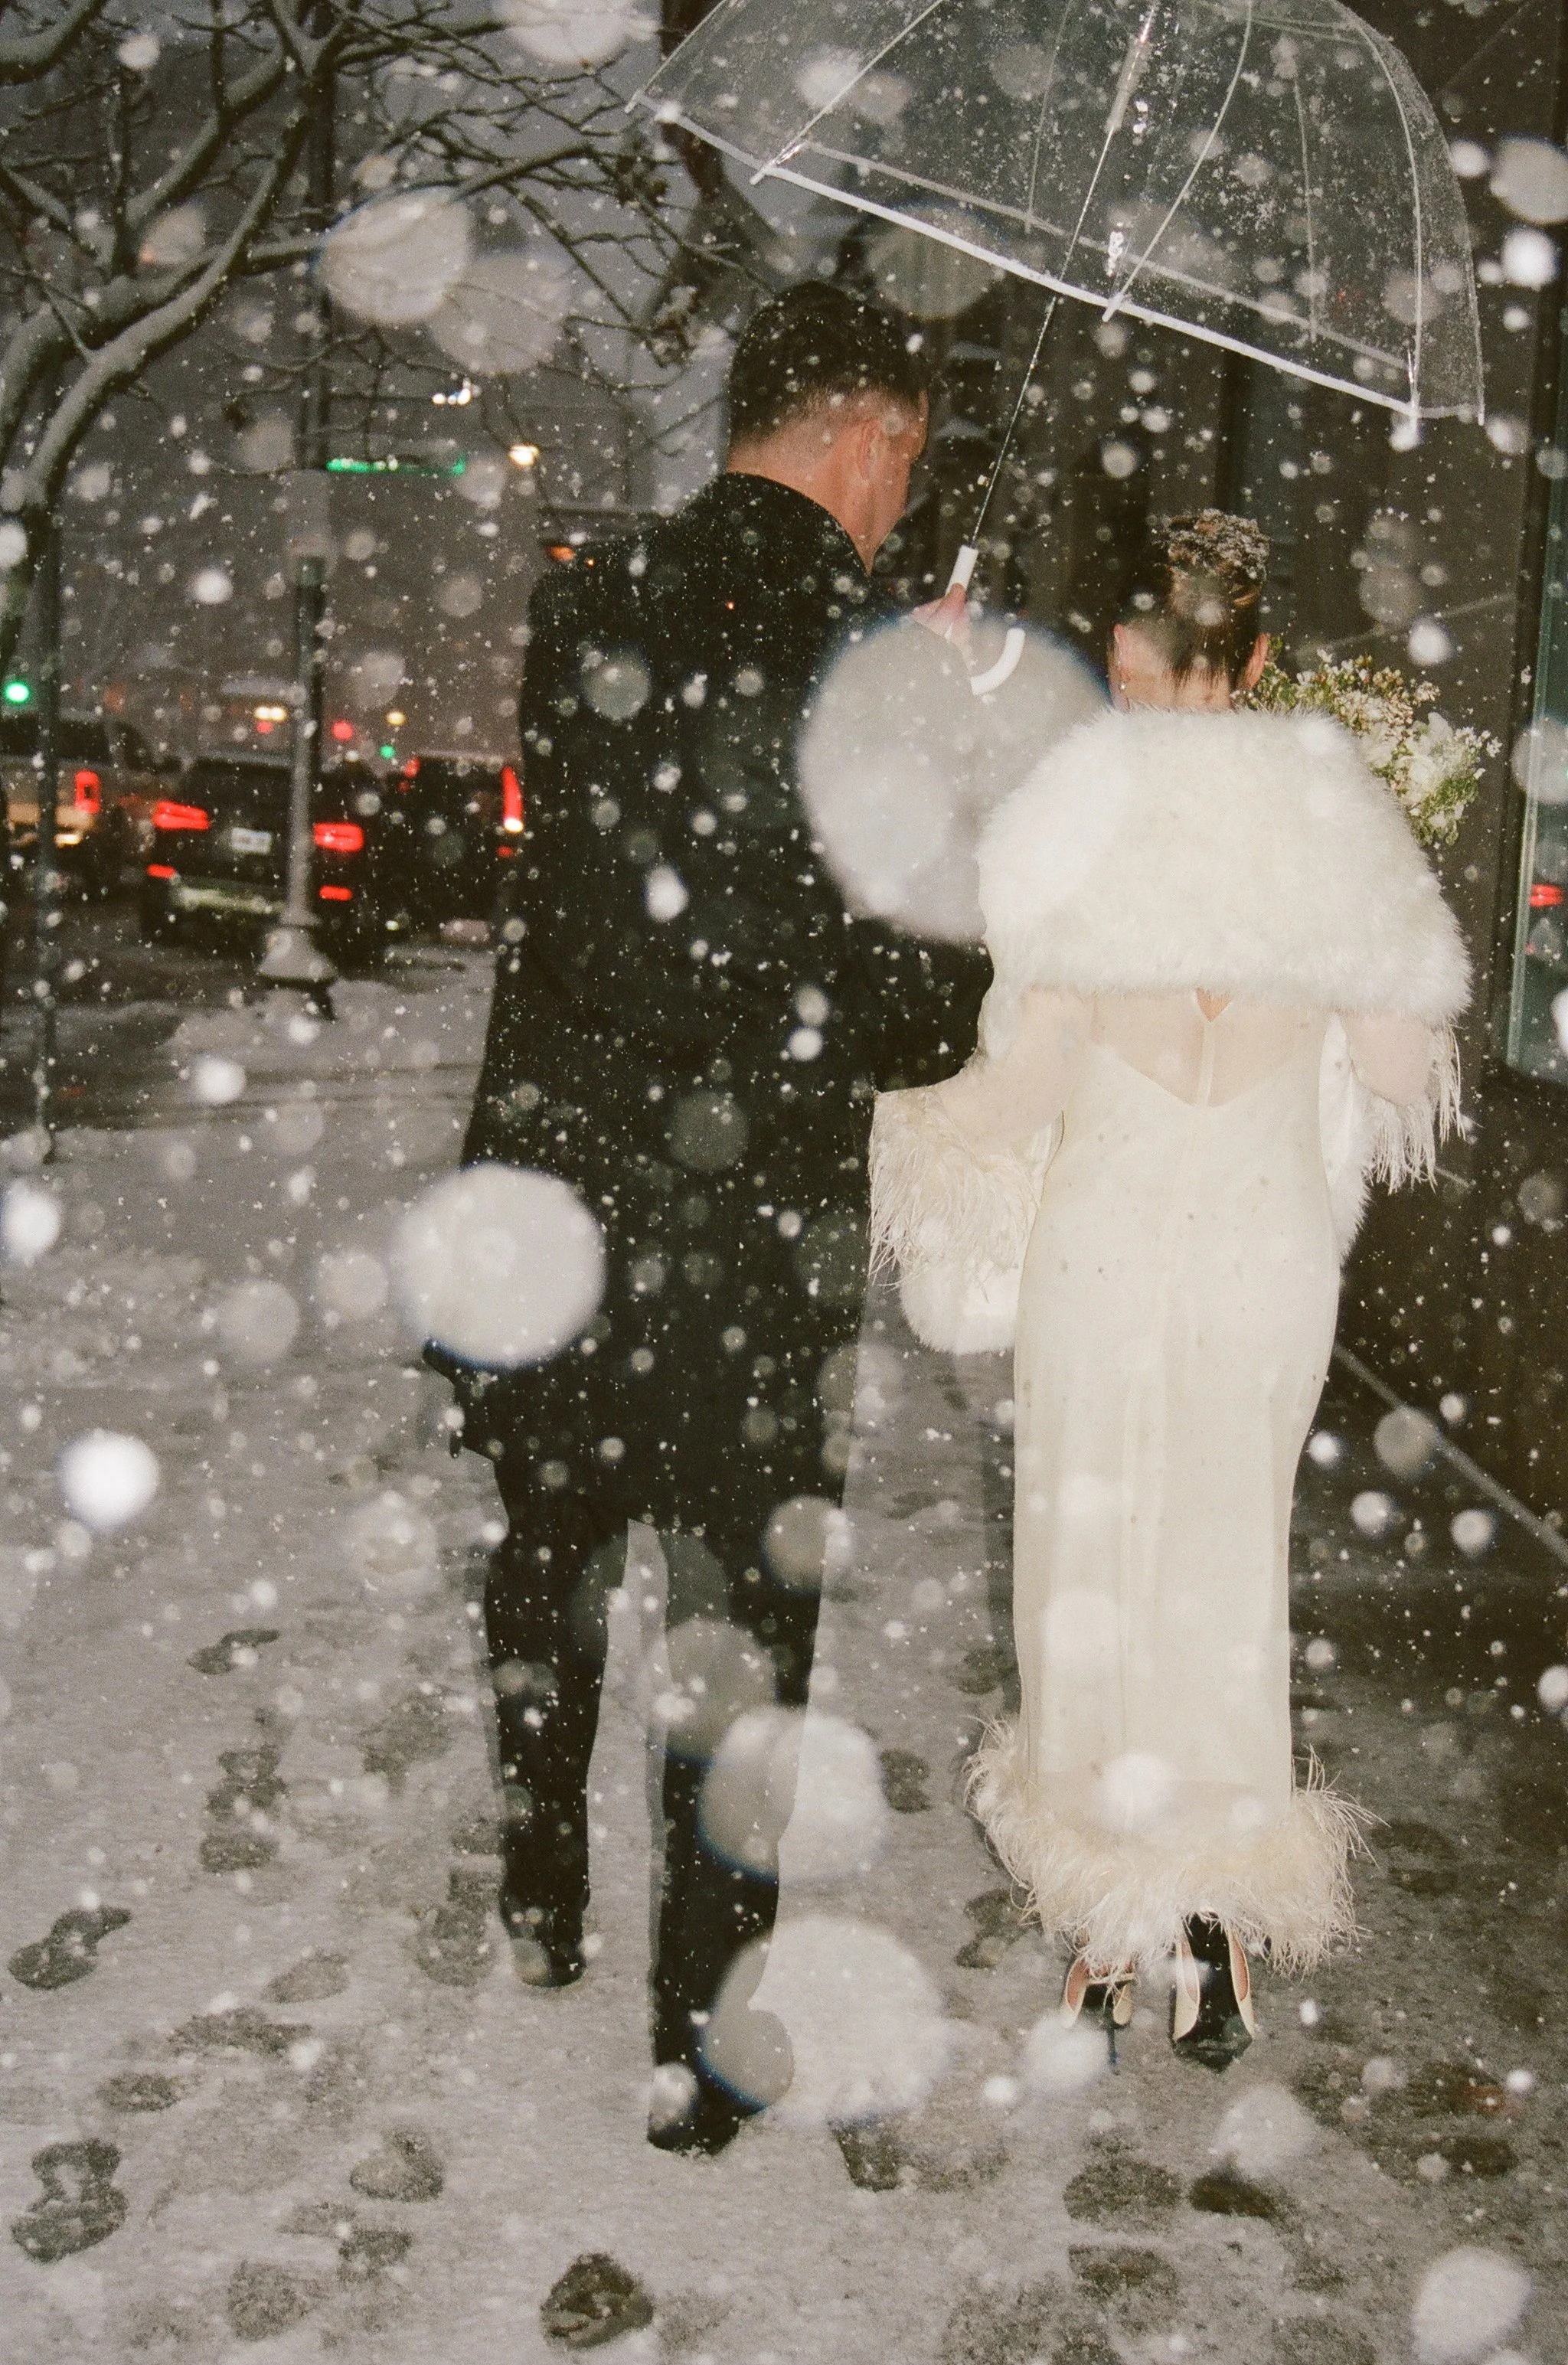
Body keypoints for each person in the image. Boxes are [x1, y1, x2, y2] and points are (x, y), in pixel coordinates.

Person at [443, 283, 990, 2154]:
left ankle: (538, 1893)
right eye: (903, 462)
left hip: (547, 1204)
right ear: (867, 440)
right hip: (742, 1239)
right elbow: (919, 1015)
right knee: (739, 1634)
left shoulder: (585, 598)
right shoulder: (872, 663)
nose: (900, 499)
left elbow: (609, 889)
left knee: (552, 1552)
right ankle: (695, 2040)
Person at [871, 511, 1469, 2063]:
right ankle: (1208, 1937)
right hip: (1263, 1255)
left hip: (1108, 1243)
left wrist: (885, 1118)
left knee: (1086, 1577)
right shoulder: (1341, 825)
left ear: (1125, 663)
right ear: (1260, 658)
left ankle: (1105, 1925)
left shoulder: (1072, 824)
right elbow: (1403, 1077)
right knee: (1223, 1579)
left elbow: (1015, 1084)